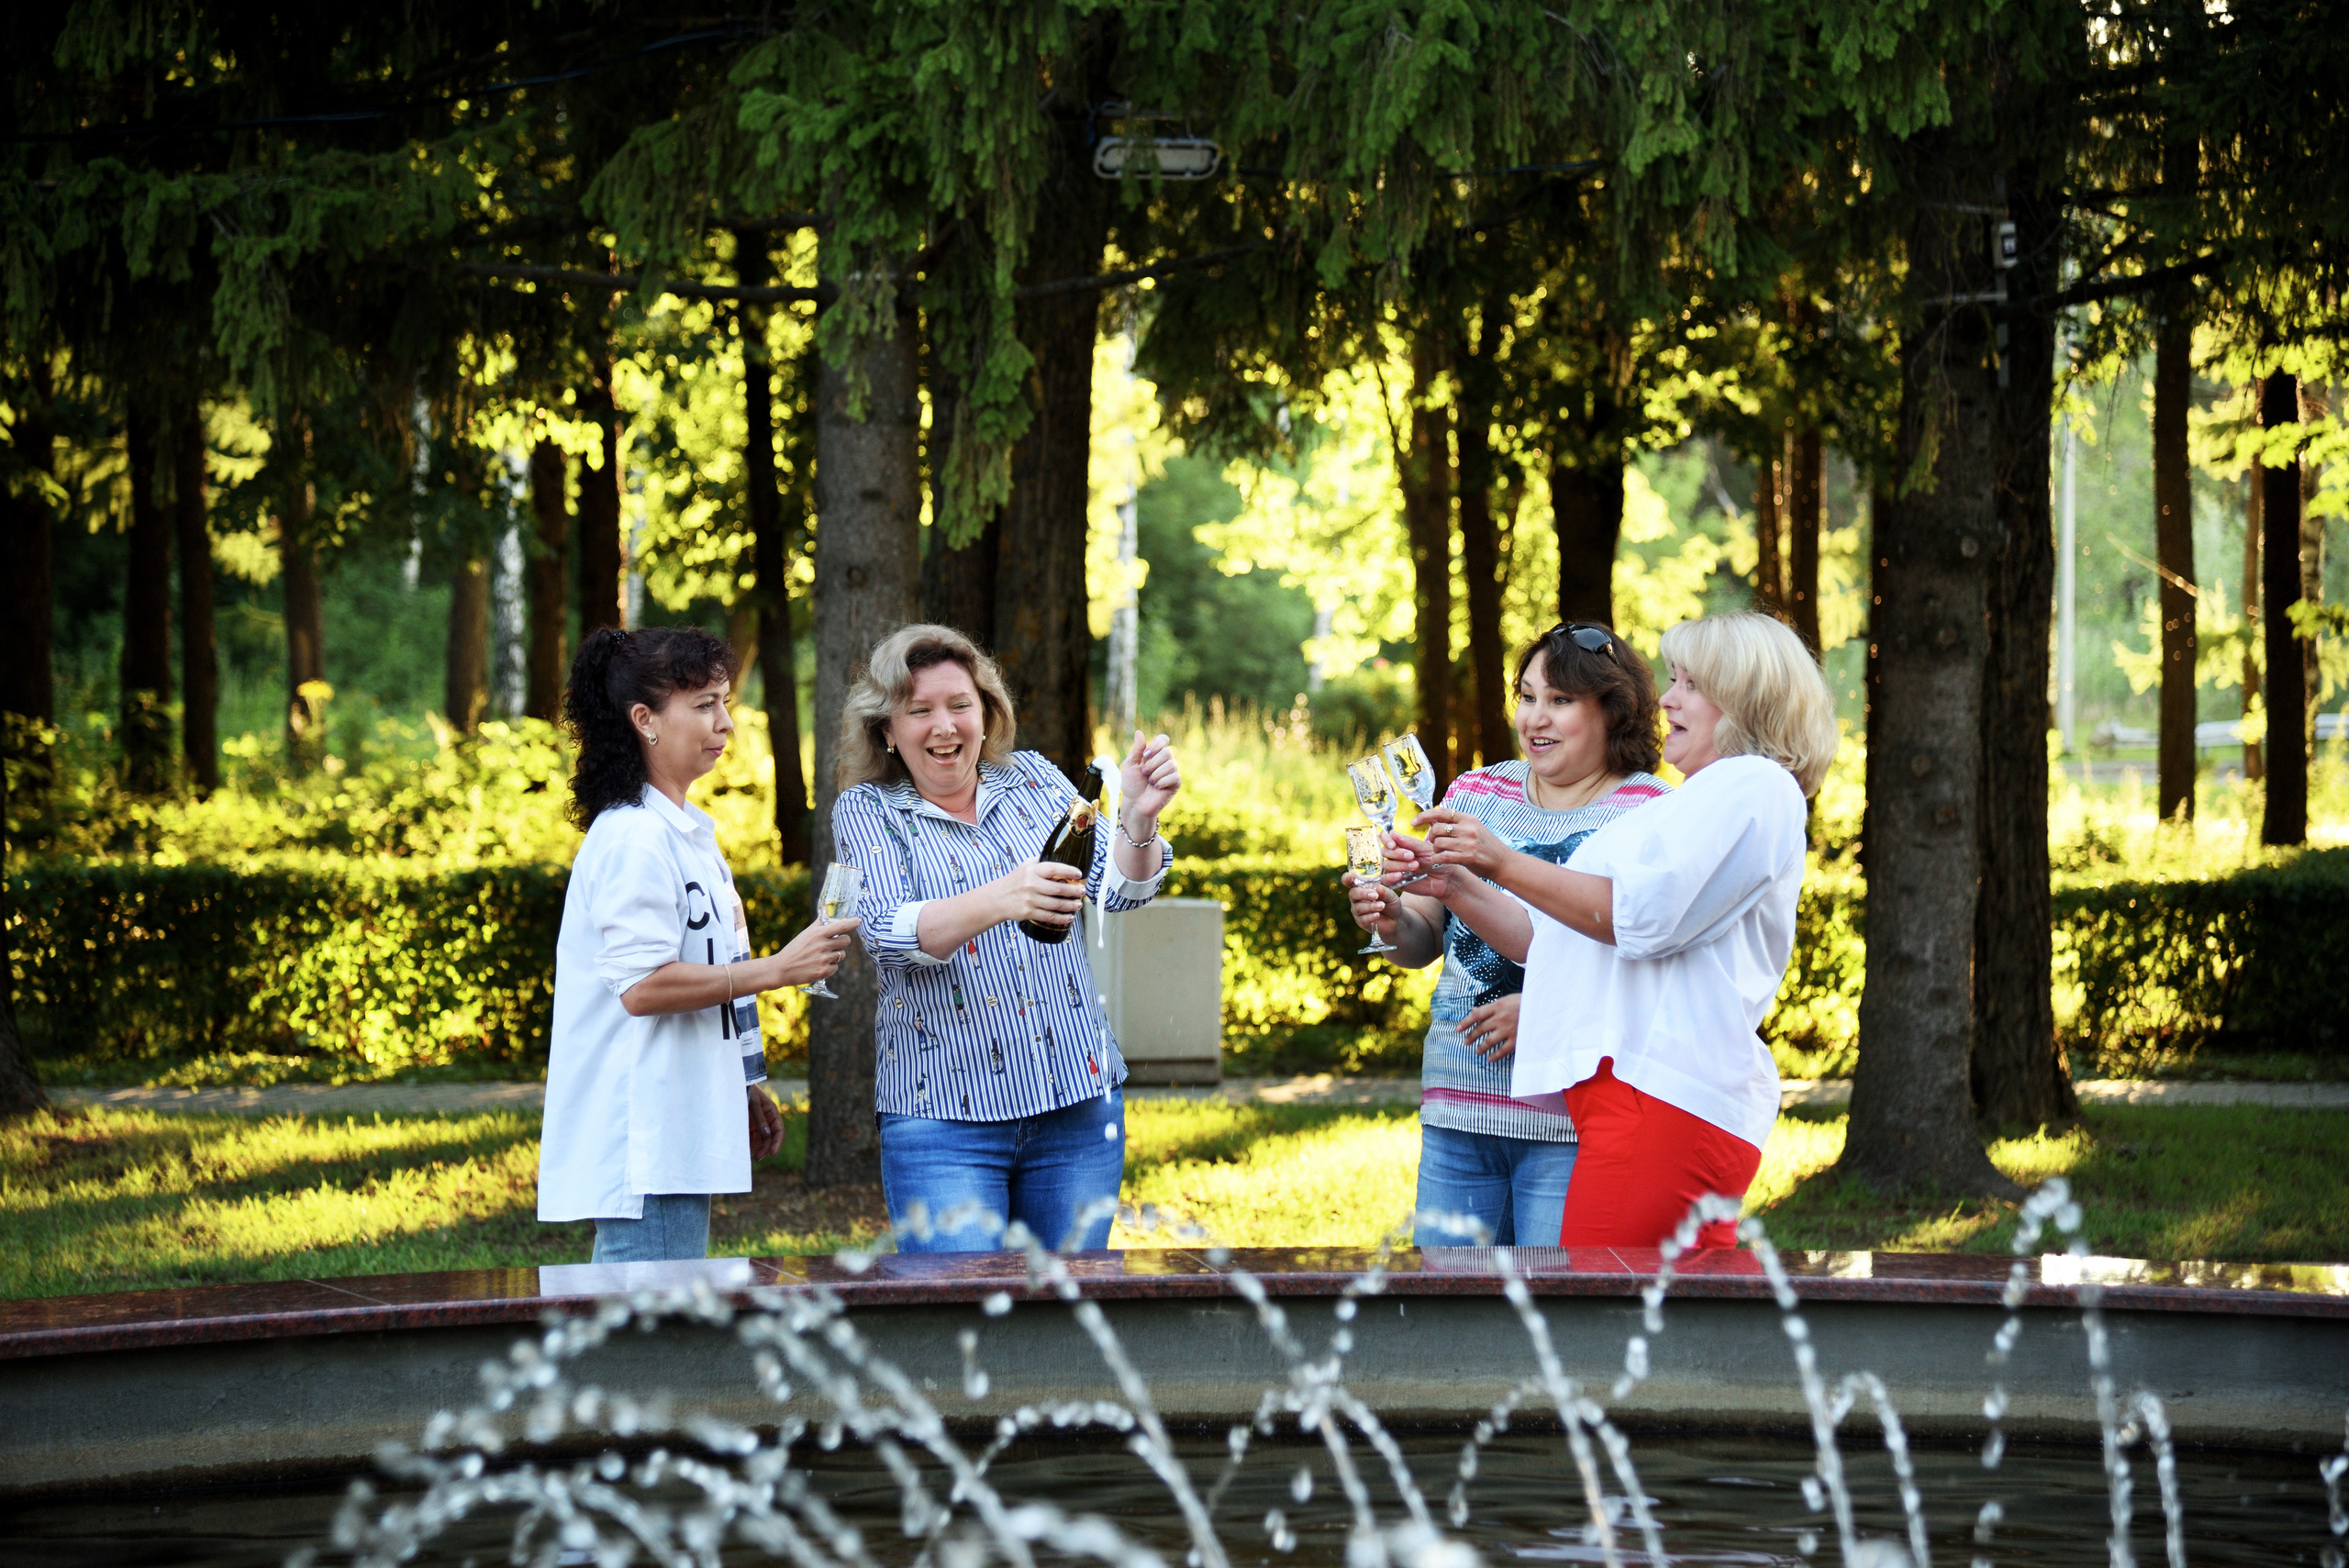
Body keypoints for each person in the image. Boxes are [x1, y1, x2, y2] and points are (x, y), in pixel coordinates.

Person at [1401, 612, 1838, 1251]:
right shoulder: (1711, 795)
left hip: (1661, 1106)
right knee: (1614, 1324)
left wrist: (1499, 861)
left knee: (1600, 1328)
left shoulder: (1755, 785)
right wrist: (1453, 884)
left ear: (1745, 698)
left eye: (1690, 683)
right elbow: (1566, 940)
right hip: (1635, 1105)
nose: (1667, 699)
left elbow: (1640, 916)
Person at [829, 624, 1181, 1253]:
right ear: (887, 729)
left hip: (1074, 1101)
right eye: (920, 710)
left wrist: (1140, 816)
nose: (945, 726)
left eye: (960, 705)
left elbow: (1121, 890)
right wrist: (1002, 897)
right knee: (967, 1327)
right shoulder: (867, 809)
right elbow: (883, 932)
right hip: (940, 1122)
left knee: (1063, 1332)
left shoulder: (1037, 780)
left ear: (986, 714)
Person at [538, 627, 859, 1263]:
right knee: (650, 1350)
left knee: (655, 1343)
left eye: (725, 702)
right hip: (646, 1141)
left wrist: (739, 1082)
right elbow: (643, 986)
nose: (726, 724)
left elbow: (711, 969)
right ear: (645, 720)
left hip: (678, 1125)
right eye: (706, 704)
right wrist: (778, 970)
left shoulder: (683, 833)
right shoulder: (634, 838)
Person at [1347, 624, 1668, 1249]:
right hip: (1458, 1109)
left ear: (1612, 707)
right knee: (1453, 1326)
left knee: (1555, 1328)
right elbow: (1422, 940)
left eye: (1560, 700)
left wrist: (1549, 1009)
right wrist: (1389, 918)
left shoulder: (1650, 810)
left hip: (1574, 1123)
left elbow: (1650, 962)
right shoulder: (1475, 792)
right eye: (1527, 696)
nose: (1535, 718)